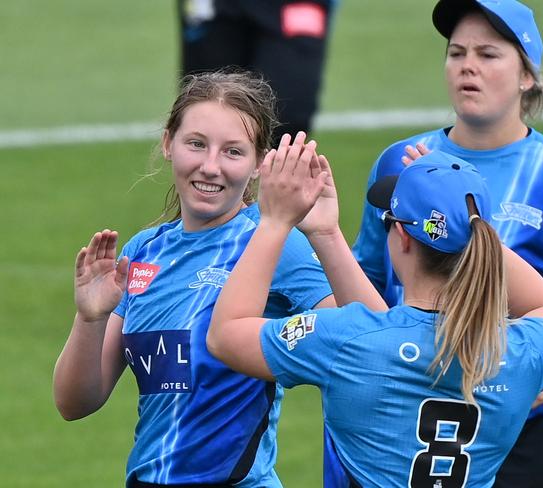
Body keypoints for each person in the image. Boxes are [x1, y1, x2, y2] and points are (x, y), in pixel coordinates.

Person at [352, 0, 543, 486]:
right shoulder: (398, 166)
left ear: (527, 76)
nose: (468, 65)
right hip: (406, 421)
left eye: (488, 54)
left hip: (524, 434)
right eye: (456, 52)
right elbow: (367, 277)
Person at [206, 146, 543, 488]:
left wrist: (274, 222)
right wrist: (463, 207)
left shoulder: (345, 340)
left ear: (403, 237)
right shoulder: (525, 352)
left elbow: (226, 335)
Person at [52, 71, 335, 487]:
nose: (210, 166)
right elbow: (75, 402)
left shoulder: (272, 241)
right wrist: (90, 318)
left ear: (260, 163)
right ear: (169, 143)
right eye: (196, 144)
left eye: (233, 152)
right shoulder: (142, 253)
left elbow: (360, 340)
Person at [177, 0, 337, 141]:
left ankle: (271, 171)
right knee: (206, 109)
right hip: (217, 7)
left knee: (288, 114)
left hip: (296, 4)